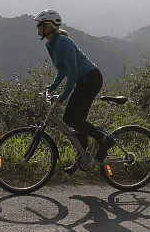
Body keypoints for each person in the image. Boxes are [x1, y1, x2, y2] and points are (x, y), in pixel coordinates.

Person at [34, 9, 115, 174]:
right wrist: (53, 87)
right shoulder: (51, 44)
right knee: (79, 122)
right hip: (83, 80)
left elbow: (72, 71)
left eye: (40, 25)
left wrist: (62, 96)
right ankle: (81, 161)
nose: (37, 28)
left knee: (70, 117)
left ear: (49, 26)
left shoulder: (63, 42)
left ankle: (103, 140)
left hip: (90, 79)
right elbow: (62, 70)